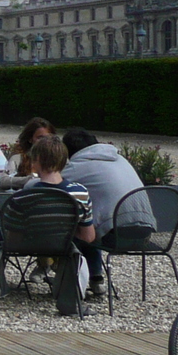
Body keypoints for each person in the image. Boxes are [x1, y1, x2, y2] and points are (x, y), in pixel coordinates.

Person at [0, 135, 96, 314]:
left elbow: (13, 236)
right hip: (61, 246)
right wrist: (59, 234)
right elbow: (88, 237)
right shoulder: (80, 193)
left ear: (36, 162)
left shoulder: (24, 195)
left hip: (21, 244)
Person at [62, 127, 151, 300]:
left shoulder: (78, 165)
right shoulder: (119, 159)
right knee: (91, 223)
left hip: (116, 236)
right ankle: (97, 280)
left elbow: (49, 182)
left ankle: (71, 284)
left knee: (78, 229)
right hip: (145, 234)